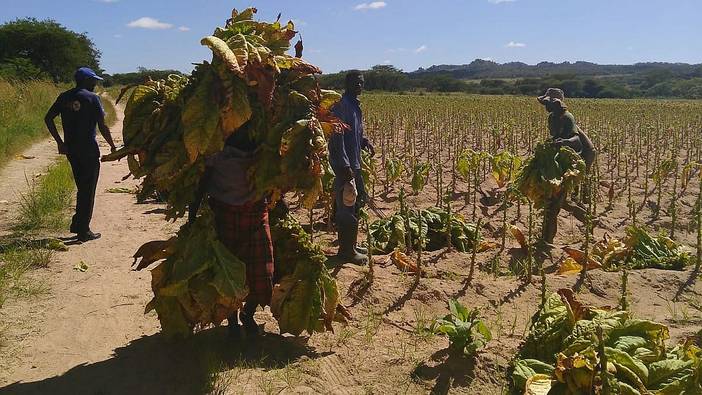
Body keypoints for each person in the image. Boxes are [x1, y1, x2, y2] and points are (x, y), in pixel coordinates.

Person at [189, 128, 273, 339]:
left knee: (262, 272)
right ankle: (233, 319)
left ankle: (248, 313)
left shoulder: (263, 152)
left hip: (255, 215)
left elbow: (277, 179)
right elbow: (203, 184)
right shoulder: (216, 154)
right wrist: (192, 213)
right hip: (224, 216)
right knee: (227, 273)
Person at [44, 67, 116, 242]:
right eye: (94, 81)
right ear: (86, 81)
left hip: (71, 149)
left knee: (82, 187)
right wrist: (113, 145)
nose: (96, 84)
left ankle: (78, 224)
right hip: (88, 150)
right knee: (88, 189)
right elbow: (102, 125)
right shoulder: (92, 98)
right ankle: (83, 231)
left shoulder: (64, 97)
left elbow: (48, 118)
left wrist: (60, 142)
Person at [536, 88, 596, 247]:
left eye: (548, 103)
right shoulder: (552, 117)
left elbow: (576, 141)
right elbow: (555, 137)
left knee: (556, 200)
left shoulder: (567, 117)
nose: (546, 106)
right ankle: (588, 220)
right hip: (562, 157)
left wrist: (563, 142)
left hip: (576, 158)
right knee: (559, 199)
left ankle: (546, 241)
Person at [328, 71, 375, 265]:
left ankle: (350, 244)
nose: (359, 86)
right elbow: (336, 138)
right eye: (355, 82)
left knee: (357, 201)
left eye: (361, 83)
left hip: (355, 163)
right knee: (347, 204)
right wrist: (343, 165)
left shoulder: (355, 105)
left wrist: (363, 141)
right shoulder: (341, 105)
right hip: (345, 165)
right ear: (347, 83)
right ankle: (346, 252)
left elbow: (352, 132)